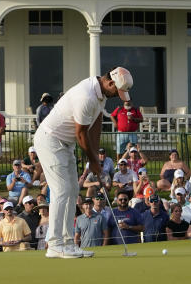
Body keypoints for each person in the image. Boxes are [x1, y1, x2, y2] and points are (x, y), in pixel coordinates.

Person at [33, 66, 133, 258]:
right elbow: (81, 134)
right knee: (62, 190)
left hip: (65, 144)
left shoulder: (100, 94)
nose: (117, 95)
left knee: (72, 190)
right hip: (50, 140)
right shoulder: (86, 96)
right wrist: (92, 161)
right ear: (110, 82)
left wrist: (96, 159)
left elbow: (95, 127)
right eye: (117, 91)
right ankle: (54, 244)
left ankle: (68, 243)